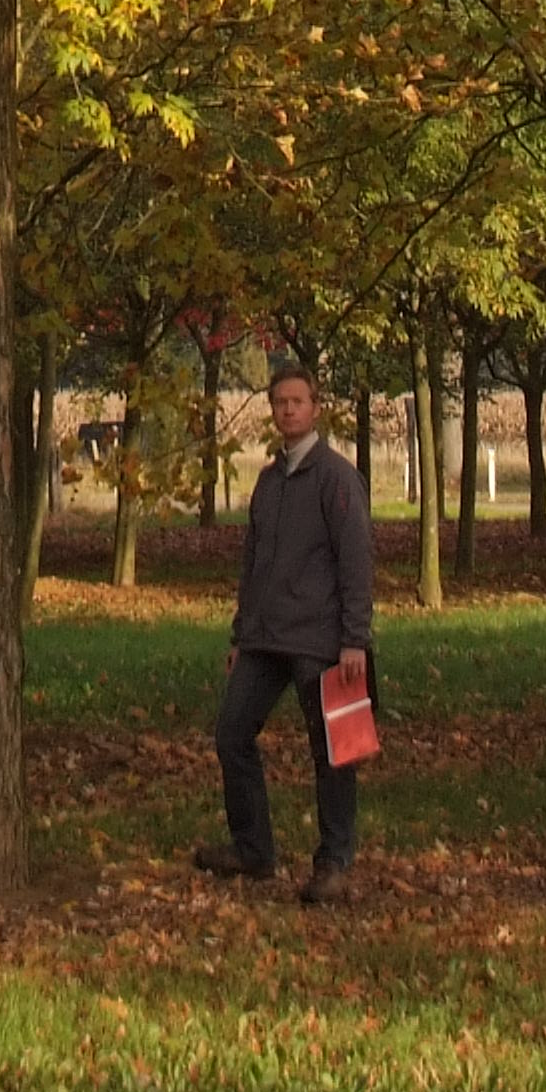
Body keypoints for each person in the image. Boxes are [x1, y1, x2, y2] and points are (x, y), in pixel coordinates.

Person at [195, 355, 374, 904]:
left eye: (297, 401)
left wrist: (354, 640)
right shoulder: (269, 481)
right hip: (265, 638)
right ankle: (253, 851)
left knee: (333, 752)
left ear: (315, 409)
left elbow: (356, 561)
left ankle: (334, 863)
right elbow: (253, 562)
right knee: (231, 733)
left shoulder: (338, 479)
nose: (288, 410)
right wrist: (240, 634)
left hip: (323, 642)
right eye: (279, 402)